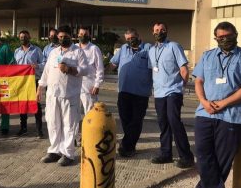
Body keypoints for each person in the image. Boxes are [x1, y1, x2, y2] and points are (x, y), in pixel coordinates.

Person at [191, 21, 241, 188]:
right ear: (216, 39)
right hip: (205, 113)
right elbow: (198, 82)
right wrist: (204, 102)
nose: (224, 40)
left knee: (222, 158)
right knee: (203, 154)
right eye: (220, 38)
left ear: (235, 34)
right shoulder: (207, 56)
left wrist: (224, 103)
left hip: (232, 115)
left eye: (228, 36)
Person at [37, 25, 88, 166]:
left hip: (69, 95)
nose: (62, 39)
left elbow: (86, 69)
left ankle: (68, 153)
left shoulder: (78, 52)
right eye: (60, 37)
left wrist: (70, 69)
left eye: (65, 36)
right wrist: (40, 86)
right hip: (53, 94)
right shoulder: (53, 52)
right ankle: (54, 151)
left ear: (71, 36)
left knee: (69, 124)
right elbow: (47, 71)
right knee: (53, 123)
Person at [148, 22, 194, 168]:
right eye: (156, 30)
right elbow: (153, 70)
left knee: (174, 121)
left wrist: (181, 86)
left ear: (167, 31)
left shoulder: (174, 46)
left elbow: (184, 70)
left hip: (173, 91)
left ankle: (186, 156)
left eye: (162, 30)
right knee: (163, 123)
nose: (159, 32)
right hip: (159, 93)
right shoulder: (151, 50)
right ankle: (165, 154)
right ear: (153, 32)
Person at [110, 28, 152, 157]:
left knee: (136, 120)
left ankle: (126, 146)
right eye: (127, 39)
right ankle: (129, 146)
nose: (129, 41)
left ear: (138, 36)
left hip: (141, 93)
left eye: (132, 38)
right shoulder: (123, 48)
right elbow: (113, 63)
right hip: (124, 91)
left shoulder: (148, 49)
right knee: (125, 120)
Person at [75, 27, 104, 145]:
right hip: (74, 86)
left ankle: (89, 137)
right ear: (77, 35)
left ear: (89, 35)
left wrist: (97, 84)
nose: (83, 35)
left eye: (85, 34)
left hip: (89, 87)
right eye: (81, 34)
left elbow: (100, 69)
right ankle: (76, 137)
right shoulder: (74, 48)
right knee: (74, 113)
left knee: (89, 113)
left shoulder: (94, 49)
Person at [14, 30, 44, 138]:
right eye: (21, 37)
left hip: (33, 81)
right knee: (22, 104)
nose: (23, 38)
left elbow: (44, 63)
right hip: (21, 82)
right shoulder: (17, 51)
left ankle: (39, 130)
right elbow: (14, 66)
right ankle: (23, 128)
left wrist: (37, 66)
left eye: (25, 37)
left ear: (29, 37)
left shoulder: (36, 50)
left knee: (36, 105)